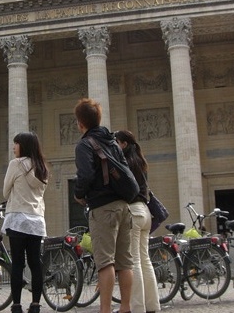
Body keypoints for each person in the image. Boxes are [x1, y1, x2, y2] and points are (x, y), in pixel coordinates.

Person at [73, 98, 133, 313]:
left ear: (80, 123)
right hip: (124, 207)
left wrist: (79, 193)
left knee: (105, 262)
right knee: (125, 262)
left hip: (103, 208)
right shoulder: (112, 142)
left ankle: (105, 310)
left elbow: (86, 174)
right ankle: (125, 307)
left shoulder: (84, 144)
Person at [1, 132, 49, 313]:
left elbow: (5, 192)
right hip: (36, 220)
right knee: (35, 263)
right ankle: (36, 305)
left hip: (18, 220)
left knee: (18, 264)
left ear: (24, 146)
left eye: (16, 144)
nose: (13, 147)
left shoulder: (16, 164)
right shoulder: (42, 167)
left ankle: (17, 305)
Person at [115, 130, 160, 313]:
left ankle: (136, 307)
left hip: (133, 211)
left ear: (124, 144)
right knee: (145, 260)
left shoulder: (125, 162)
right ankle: (152, 305)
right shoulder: (139, 161)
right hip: (145, 212)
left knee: (133, 262)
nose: (114, 145)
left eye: (116, 142)